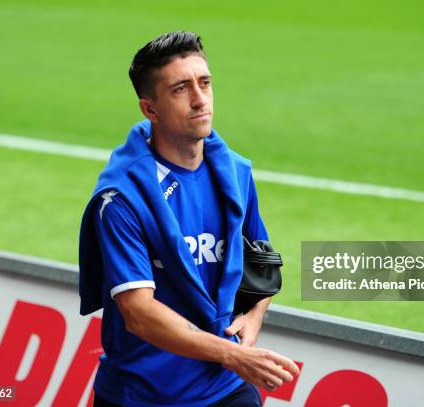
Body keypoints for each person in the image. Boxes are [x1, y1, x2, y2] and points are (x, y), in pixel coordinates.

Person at [78, 31, 300, 407]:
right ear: (150, 109)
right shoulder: (120, 200)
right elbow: (139, 314)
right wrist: (233, 355)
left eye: (205, 83)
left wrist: (255, 314)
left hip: (225, 388)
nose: (201, 100)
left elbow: (259, 260)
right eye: (181, 89)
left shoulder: (235, 173)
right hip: (142, 396)